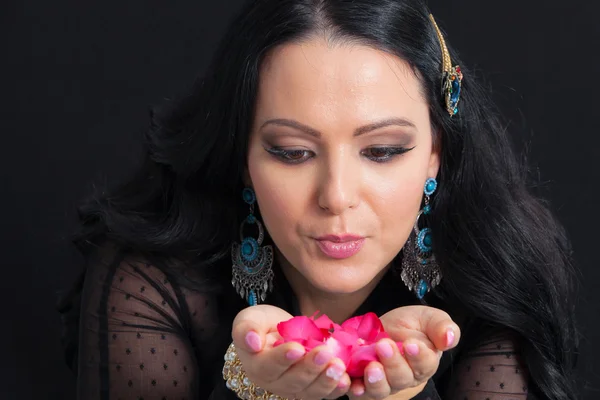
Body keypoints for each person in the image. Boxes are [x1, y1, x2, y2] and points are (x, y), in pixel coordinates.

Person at [56, 0, 580, 399]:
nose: (336, 197)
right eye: (292, 153)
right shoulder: (151, 280)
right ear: (243, 156)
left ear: (434, 154)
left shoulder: (496, 284)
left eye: (382, 150)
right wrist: (254, 388)